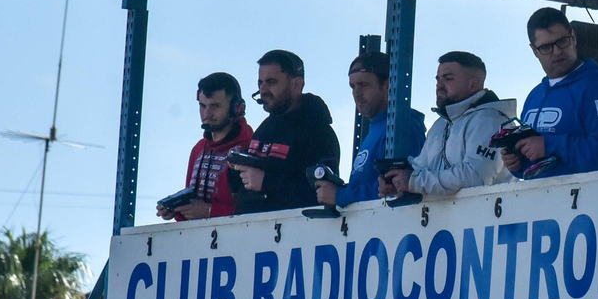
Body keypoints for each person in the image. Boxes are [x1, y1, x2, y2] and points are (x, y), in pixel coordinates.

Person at [502, 8, 598, 179]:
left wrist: (550, 145)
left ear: (573, 37)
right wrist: (517, 162)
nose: (557, 51)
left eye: (562, 41)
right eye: (546, 46)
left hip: (588, 201)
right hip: (539, 200)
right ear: (534, 50)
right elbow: (533, 164)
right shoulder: (535, 96)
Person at [380, 51, 517, 199]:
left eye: (448, 78)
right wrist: (397, 183)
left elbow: (476, 177)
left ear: (473, 83)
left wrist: (413, 181)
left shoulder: (491, 121)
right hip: (443, 220)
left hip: (490, 219)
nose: (439, 85)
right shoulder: (439, 125)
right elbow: (420, 168)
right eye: (438, 79)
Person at [231, 50, 341, 215]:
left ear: (296, 85)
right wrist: (235, 167)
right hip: (249, 231)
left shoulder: (319, 131)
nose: (263, 90)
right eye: (260, 83)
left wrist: (266, 182)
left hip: (294, 236)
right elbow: (240, 187)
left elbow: (321, 194)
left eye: (271, 82)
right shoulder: (264, 128)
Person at [315, 52, 426, 208]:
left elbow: (399, 189)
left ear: (387, 85)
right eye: (353, 87)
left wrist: (339, 195)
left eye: (363, 85)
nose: (357, 95)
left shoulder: (404, 127)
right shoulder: (376, 128)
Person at [158, 73, 253, 221]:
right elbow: (194, 203)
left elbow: (256, 211)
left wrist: (210, 212)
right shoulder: (198, 149)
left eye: (215, 106)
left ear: (236, 107)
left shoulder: (250, 147)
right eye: (202, 106)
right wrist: (178, 209)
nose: (207, 114)